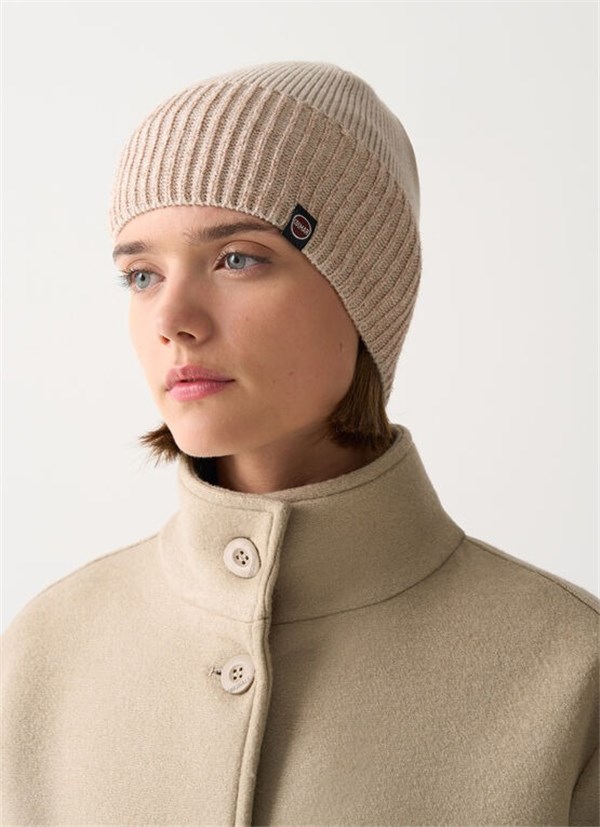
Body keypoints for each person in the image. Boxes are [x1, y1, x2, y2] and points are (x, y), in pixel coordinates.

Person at [2, 60, 598, 827]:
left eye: (238, 258)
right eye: (142, 275)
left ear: (367, 294)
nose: (172, 319)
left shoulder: (570, 671)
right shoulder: (43, 655)